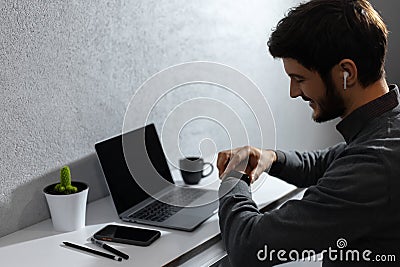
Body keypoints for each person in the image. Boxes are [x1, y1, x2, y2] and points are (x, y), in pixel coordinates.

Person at [217, 0, 400, 266]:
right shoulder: (384, 128)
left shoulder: (376, 162)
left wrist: (233, 177)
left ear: (346, 73)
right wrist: (269, 157)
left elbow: (250, 246)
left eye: (300, 79)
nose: (293, 92)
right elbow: (325, 163)